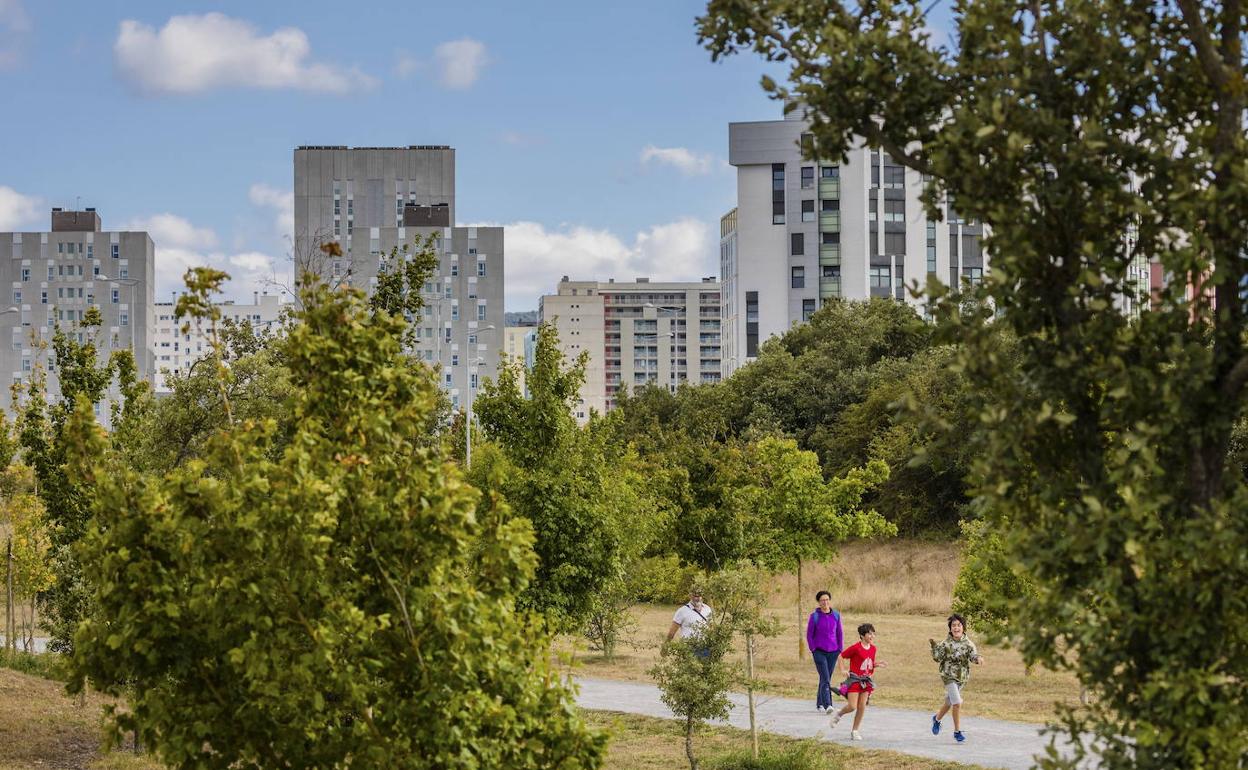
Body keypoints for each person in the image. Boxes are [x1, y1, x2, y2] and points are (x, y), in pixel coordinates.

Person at [929, 613, 985, 743]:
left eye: (959, 625)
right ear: (950, 629)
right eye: (953, 625)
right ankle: (957, 732)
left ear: (963, 628)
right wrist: (934, 647)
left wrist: (978, 659)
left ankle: (936, 719)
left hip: (962, 678)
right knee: (957, 703)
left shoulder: (968, 644)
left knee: (949, 703)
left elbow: (973, 656)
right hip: (948, 676)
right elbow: (937, 658)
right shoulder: (945, 643)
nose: (956, 628)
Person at [828, 623, 885, 740]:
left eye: (873, 633)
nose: (872, 636)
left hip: (866, 681)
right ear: (862, 635)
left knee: (862, 706)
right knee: (852, 706)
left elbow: (868, 664)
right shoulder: (856, 648)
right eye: (869, 633)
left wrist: (876, 664)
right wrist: (843, 669)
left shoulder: (873, 649)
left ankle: (855, 731)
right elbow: (841, 656)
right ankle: (839, 714)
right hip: (854, 680)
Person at [806, 590, 843, 713]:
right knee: (826, 678)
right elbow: (809, 635)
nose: (825, 602)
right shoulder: (815, 616)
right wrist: (813, 649)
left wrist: (840, 649)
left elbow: (839, 633)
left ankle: (819, 703)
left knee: (825, 678)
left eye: (827, 600)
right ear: (819, 602)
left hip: (833, 652)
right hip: (819, 652)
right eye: (822, 600)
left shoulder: (836, 615)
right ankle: (828, 705)